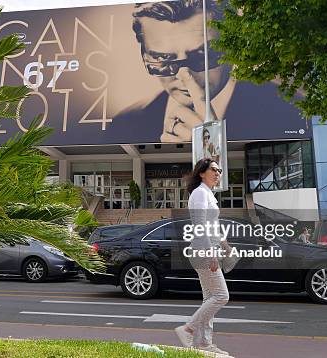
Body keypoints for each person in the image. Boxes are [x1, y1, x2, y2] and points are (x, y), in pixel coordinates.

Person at [108, 0, 306, 144]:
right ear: (145, 55)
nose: (184, 76)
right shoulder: (125, 123)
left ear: (232, 47)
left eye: (202, 56)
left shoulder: (292, 113)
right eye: (162, 59)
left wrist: (210, 149)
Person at [174, 158, 231, 356]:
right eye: (213, 170)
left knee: (210, 298)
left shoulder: (208, 194)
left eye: (219, 170)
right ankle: (188, 329)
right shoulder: (199, 193)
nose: (218, 173)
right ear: (201, 173)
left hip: (209, 249)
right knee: (221, 296)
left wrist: (224, 245)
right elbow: (200, 227)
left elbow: (212, 225)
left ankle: (204, 344)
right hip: (203, 251)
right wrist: (211, 253)